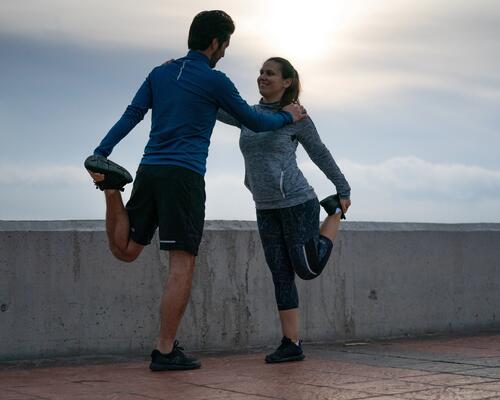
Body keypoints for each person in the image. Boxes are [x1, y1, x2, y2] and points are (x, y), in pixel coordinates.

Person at [84, 11, 306, 371]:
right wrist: (289, 116)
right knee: (182, 265)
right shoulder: (215, 80)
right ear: (216, 42)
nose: (225, 53)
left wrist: (101, 152)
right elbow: (256, 121)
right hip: (184, 177)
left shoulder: (160, 72)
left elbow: (132, 114)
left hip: (149, 170)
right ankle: (165, 350)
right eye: (225, 45)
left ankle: (111, 190)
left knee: (125, 250)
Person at [217, 57, 351, 363]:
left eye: (270, 73)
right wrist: (183, 75)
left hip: (297, 203)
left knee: (308, 269)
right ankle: (291, 343)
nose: (262, 77)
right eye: (260, 72)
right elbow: (212, 106)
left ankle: (333, 214)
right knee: (281, 274)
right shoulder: (248, 115)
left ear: (286, 81)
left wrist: (343, 189)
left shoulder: (297, 117)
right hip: (265, 207)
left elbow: (319, 152)